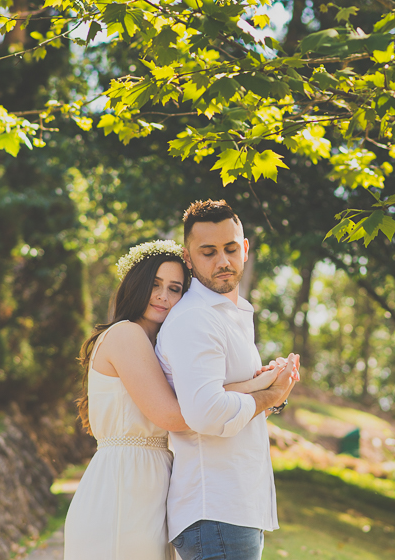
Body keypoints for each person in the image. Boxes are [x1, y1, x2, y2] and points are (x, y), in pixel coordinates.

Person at [64, 240, 286, 560]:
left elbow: (200, 403)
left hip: (153, 484)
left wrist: (256, 386)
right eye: (154, 285)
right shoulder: (126, 334)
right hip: (123, 486)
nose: (163, 297)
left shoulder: (157, 345)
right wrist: (261, 389)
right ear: (135, 286)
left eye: (174, 288)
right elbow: (176, 416)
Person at [157, 200, 300, 560]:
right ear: (188, 259)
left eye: (230, 249)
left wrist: (271, 387)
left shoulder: (232, 314)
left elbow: (228, 407)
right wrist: (269, 396)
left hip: (234, 509)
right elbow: (205, 413)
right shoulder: (195, 319)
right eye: (208, 252)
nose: (222, 261)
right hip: (215, 510)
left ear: (245, 249)